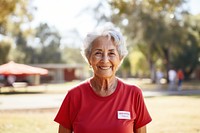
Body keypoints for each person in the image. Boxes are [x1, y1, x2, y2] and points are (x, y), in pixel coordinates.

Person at [54, 24, 152, 133]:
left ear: (120, 59)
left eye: (111, 53)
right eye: (98, 53)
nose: (105, 60)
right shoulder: (74, 96)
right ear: (89, 59)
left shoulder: (134, 94)